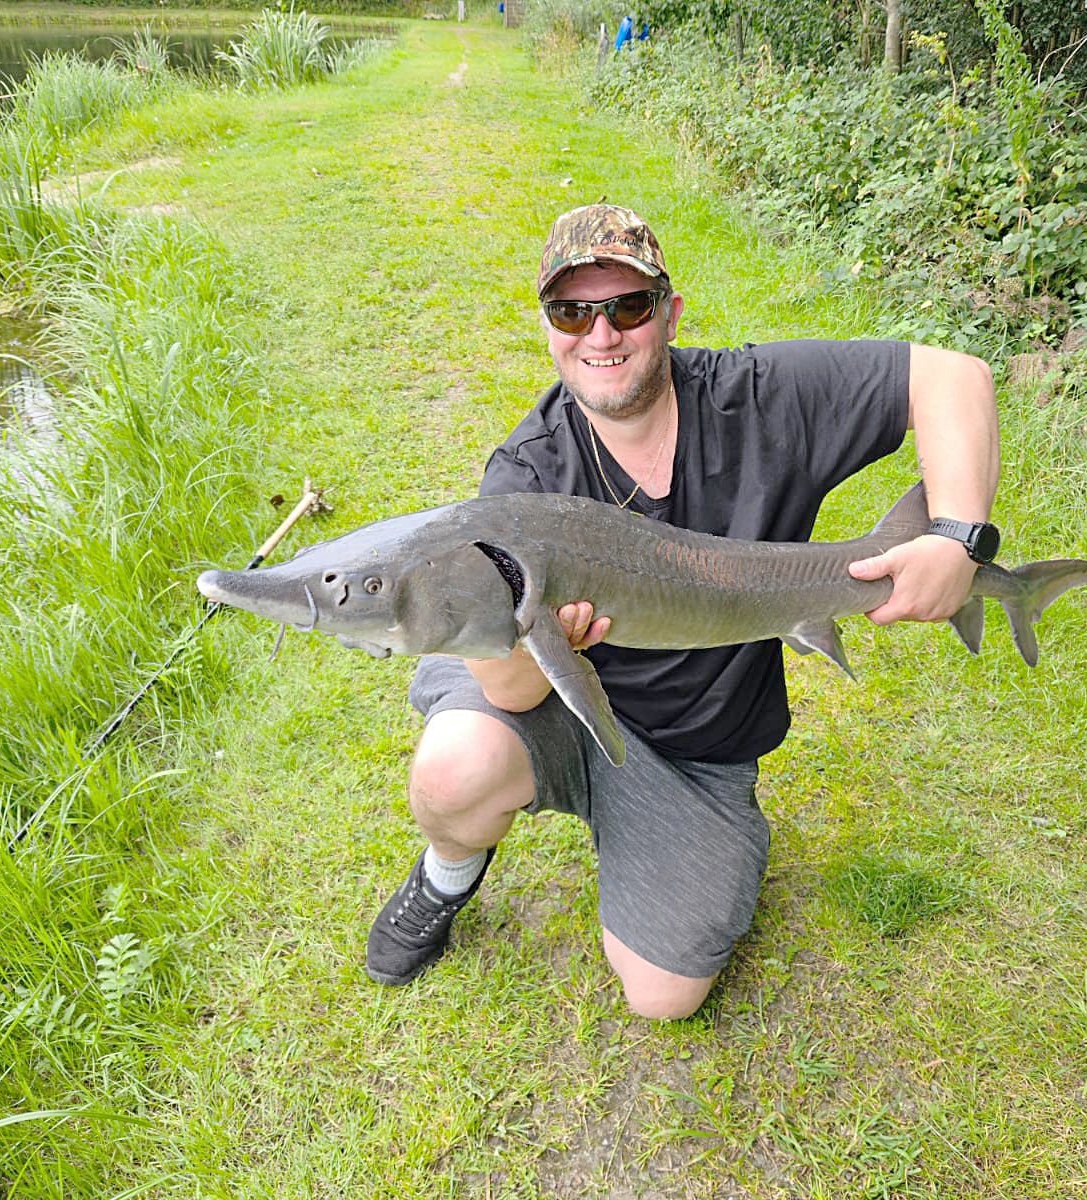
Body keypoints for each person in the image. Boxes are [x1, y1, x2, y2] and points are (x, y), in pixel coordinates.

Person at [365, 204, 1000, 1019]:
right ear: (549, 327)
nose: (601, 335)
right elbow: (513, 694)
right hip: (552, 699)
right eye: (572, 312)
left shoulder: (758, 398)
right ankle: (447, 874)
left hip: (696, 745)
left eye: (626, 307)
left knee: (664, 996)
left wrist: (955, 538)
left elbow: (954, 377)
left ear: (668, 312)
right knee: (456, 767)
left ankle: (670, 836)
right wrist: (541, 643)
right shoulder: (528, 477)